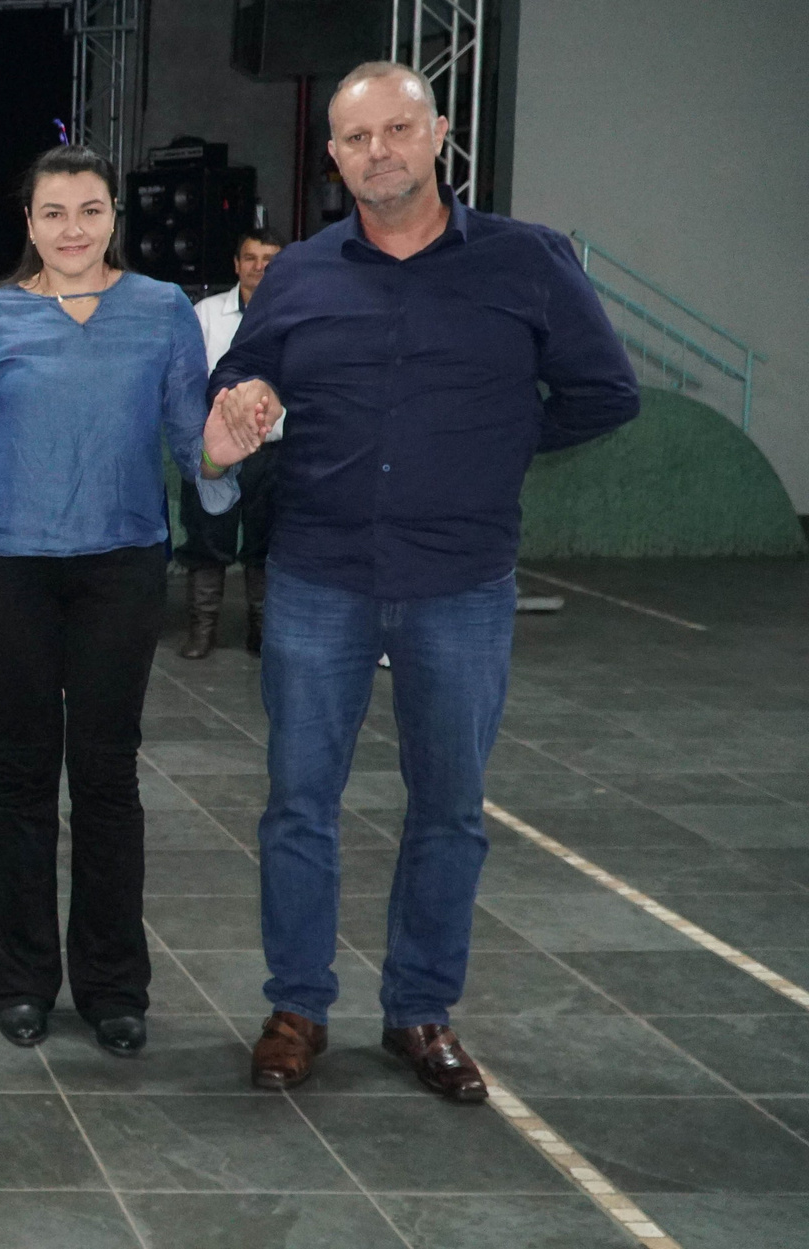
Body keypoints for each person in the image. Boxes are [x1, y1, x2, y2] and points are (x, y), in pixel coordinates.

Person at [213, 63, 638, 1101]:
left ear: (438, 132)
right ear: (333, 157)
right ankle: (296, 1006)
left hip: (460, 577)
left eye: (399, 128)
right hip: (319, 574)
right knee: (298, 805)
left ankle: (419, 1011)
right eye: (357, 139)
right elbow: (241, 377)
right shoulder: (302, 276)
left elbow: (603, 391)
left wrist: (495, 445)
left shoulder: (528, 261)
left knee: (448, 807)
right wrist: (236, 405)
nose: (380, 152)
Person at [0, 144, 265, 1059]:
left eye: (91, 210)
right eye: (54, 213)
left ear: (115, 216)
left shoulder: (160, 313)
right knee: (23, 773)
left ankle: (115, 985)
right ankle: (22, 979)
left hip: (122, 569)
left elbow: (195, 445)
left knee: (108, 777)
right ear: (28, 223)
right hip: (8, 571)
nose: (73, 229)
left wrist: (227, 448)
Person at [175, 229, 286, 659]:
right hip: (215, 455)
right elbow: (186, 384)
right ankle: (202, 632)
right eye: (252, 259)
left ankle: (261, 634)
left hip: (276, 452)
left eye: (270, 260)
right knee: (206, 540)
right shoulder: (204, 313)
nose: (260, 267)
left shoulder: (298, 312)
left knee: (267, 545)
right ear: (236, 265)